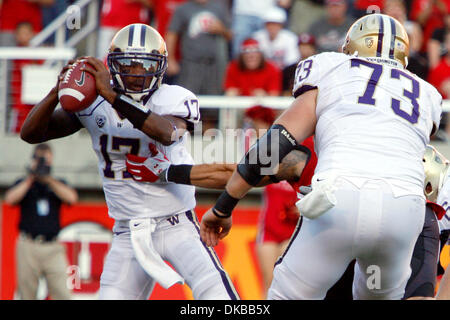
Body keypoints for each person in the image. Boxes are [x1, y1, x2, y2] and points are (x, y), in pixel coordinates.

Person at [199, 13, 442, 300]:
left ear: (351, 45)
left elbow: (274, 146)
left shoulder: (332, 67)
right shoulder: (427, 94)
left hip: (340, 200)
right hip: (403, 212)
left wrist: (223, 208)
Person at [20, 24, 239, 300]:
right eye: (128, 65)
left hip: (177, 225)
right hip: (127, 231)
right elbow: (30, 134)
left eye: (144, 66)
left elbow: (167, 133)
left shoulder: (172, 97)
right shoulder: (93, 104)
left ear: (160, 67)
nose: (136, 74)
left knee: (220, 298)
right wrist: (57, 90)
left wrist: (113, 96)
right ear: (112, 66)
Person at [4, 143, 78, 300]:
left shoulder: (56, 183)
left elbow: (72, 198)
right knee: (27, 293)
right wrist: (32, 176)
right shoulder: (26, 183)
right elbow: (10, 199)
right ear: (33, 160)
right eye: (40, 160)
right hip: (28, 245)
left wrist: (48, 179)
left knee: (63, 293)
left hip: (52, 246)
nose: (44, 164)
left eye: (47, 161)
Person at [165, 0, 232, 95]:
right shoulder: (183, 8)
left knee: (212, 103)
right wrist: (170, 60)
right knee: (187, 98)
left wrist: (222, 29)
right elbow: (172, 33)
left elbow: (230, 35)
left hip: (214, 65)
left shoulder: (219, 7)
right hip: (190, 64)